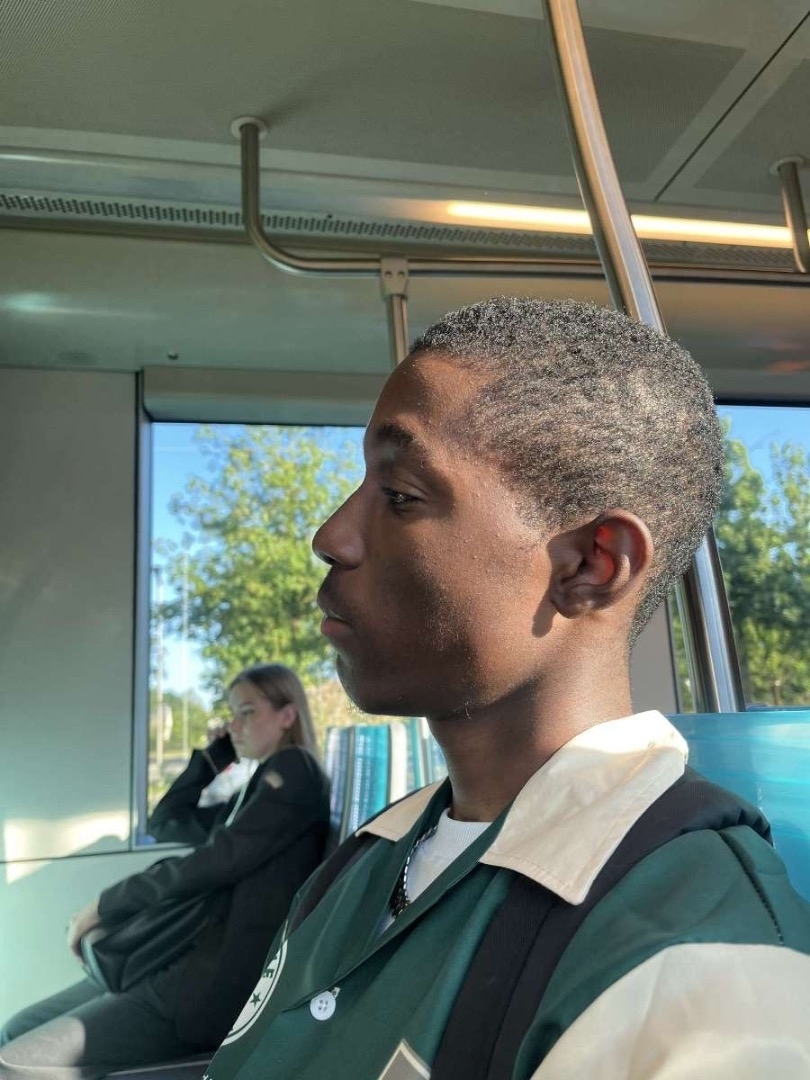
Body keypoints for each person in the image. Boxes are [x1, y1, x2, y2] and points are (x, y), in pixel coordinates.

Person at [205, 297, 810, 1080]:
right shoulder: (365, 862)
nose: (332, 536)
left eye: (401, 496)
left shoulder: (701, 968)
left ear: (590, 566)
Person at [0, 663, 330, 1078]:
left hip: (203, 987)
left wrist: (104, 905)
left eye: (246, 712)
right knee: (16, 1028)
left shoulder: (295, 771)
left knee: (12, 1063)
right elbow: (167, 821)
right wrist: (213, 758)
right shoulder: (255, 786)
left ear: (287, 715)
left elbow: (216, 861)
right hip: (174, 959)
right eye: (232, 714)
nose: (234, 725)